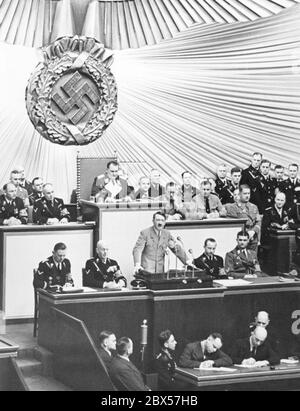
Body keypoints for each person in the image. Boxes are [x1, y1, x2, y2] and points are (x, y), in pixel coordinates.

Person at [226, 185, 261, 251]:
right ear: (239, 194)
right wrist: (247, 234)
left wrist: (253, 231)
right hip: (241, 239)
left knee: (252, 259)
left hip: (253, 238)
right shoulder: (233, 207)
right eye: (245, 193)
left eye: (249, 193)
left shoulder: (254, 207)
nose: (247, 195)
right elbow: (233, 226)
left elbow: (258, 221)